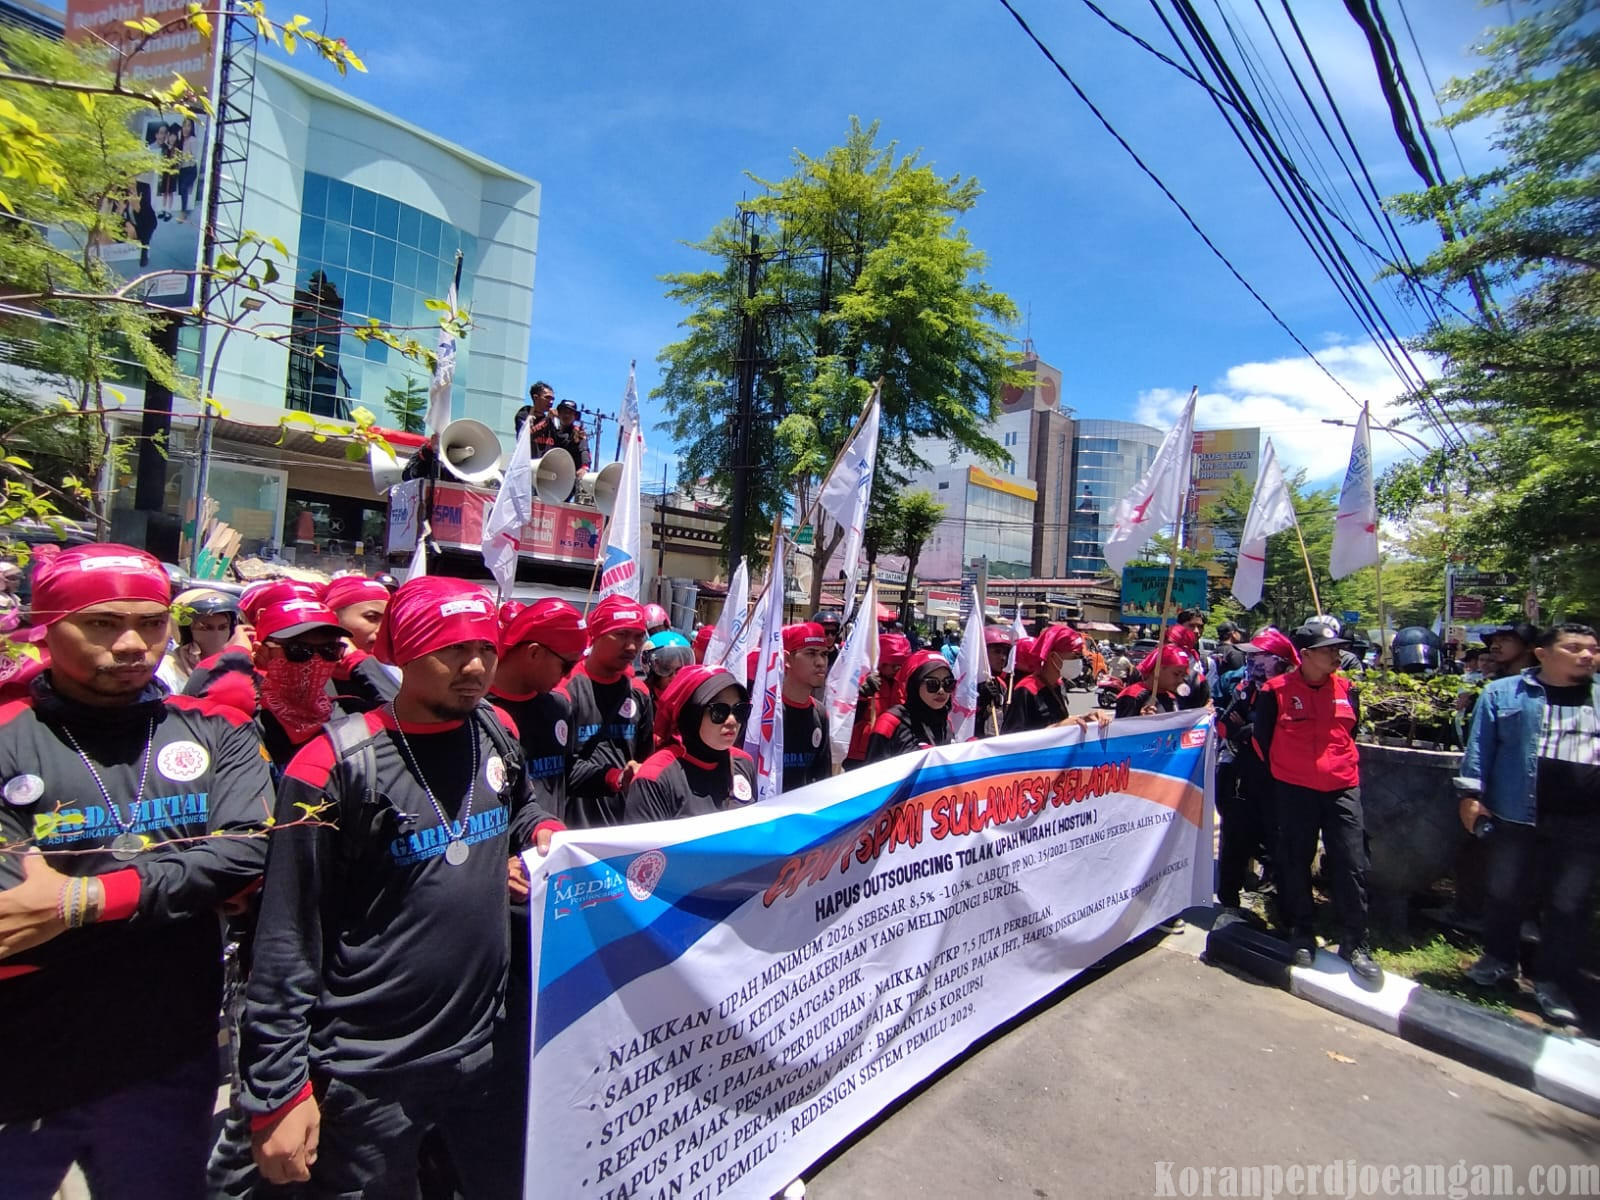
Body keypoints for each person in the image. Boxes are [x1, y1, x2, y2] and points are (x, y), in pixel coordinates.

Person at [239, 577, 562, 1197]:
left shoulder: (495, 733)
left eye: (486, 648)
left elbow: (519, 805)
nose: (473, 666)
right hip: (371, 1071)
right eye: (450, 650)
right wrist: (278, 1091)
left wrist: (540, 827)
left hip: (485, 1048)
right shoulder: (331, 767)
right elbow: (286, 940)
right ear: (405, 654)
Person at [0, 544, 273, 1200]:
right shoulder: (10, 738)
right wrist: (186, 883)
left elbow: (247, 849)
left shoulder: (214, 732)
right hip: (24, 1069)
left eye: (151, 622)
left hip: (166, 1064)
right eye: (101, 623)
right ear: (46, 624)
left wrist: (86, 896)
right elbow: (11, 905)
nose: (130, 643)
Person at [1457, 623, 1599, 1027]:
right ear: (1544, 654)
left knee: (1568, 904)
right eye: (1574, 648)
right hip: (1515, 812)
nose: (1586, 656)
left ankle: (1551, 980)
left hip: (1584, 822)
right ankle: (1498, 960)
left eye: (1592, 649)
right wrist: (1470, 795)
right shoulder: (1505, 694)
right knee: (1505, 891)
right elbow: (1480, 748)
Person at [1254, 621, 1380, 983]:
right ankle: (1302, 931)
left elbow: (1350, 733)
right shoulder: (1275, 691)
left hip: (1342, 786)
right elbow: (1262, 740)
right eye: (1328, 650)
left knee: (1351, 860)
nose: (1336, 656)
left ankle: (1355, 941)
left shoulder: (1347, 688)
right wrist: (1288, 774)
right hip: (1295, 789)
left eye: (1338, 650)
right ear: (1305, 655)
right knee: (1295, 860)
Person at [1213, 628, 1297, 909]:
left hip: (1282, 782)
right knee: (1235, 839)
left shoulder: (1292, 693)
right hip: (1243, 778)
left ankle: (1289, 913)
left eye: (1262, 657)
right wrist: (1248, 731)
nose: (1253, 664)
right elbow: (1225, 726)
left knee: (1280, 845)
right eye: (1250, 657)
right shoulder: (1247, 689)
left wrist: (1251, 729)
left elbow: (1282, 736)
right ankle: (1229, 902)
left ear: (1281, 662)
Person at [559, 595, 654, 826]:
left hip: (621, 824)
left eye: (638, 637)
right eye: (620, 634)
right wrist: (615, 777)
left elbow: (644, 759)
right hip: (572, 824)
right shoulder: (565, 690)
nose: (631, 646)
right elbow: (558, 768)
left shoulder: (639, 693)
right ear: (597, 634)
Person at [492, 598, 584, 825]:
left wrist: (614, 777)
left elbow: (568, 773)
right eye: (567, 665)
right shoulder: (479, 715)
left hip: (549, 850)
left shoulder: (560, 706)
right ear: (534, 653)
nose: (568, 675)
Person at [625, 665, 755, 821]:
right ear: (692, 714)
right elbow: (644, 845)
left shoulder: (744, 763)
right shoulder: (655, 778)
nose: (732, 720)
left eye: (740, 710)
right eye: (719, 711)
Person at [1004, 625, 1103, 733]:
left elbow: (1061, 722)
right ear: (1053, 657)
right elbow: (1010, 738)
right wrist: (1056, 728)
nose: (1079, 662)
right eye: (1075, 656)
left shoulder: (1057, 685)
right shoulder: (1026, 690)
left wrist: (1085, 720)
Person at [866, 651, 954, 763]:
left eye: (948, 683)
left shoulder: (947, 722)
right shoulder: (890, 723)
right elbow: (874, 774)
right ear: (915, 684)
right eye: (932, 684)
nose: (941, 691)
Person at [158, 587, 242, 692]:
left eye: (223, 627)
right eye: (206, 628)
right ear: (185, 632)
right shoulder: (165, 672)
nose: (216, 636)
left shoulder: (236, 666)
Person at [780, 622, 832, 793]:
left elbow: (822, 778)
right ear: (787, 660)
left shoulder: (820, 713)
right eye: (811, 653)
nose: (820, 662)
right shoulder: (765, 713)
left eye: (824, 654)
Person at [1113, 645, 1192, 719]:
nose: (1180, 680)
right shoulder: (1133, 695)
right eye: (1176, 674)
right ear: (1158, 670)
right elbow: (1121, 729)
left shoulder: (1171, 697)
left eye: (1183, 676)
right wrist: (1141, 720)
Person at [324, 574, 391, 656]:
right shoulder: (313, 665)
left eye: (387, 621)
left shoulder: (398, 665)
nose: (382, 630)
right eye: (372, 618)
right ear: (334, 617)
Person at [974, 625, 1013, 737]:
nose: (1003, 657)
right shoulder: (968, 684)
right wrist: (979, 704)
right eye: (997, 651)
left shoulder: (1002, 684)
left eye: (1005, 653)